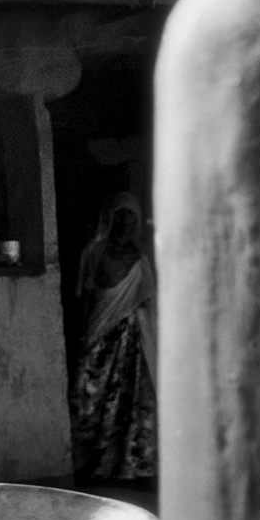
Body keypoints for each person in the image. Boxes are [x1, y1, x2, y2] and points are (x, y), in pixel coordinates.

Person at [71, 191, 157, 485]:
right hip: (101, 336)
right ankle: (92, 464)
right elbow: (86, 297)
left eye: (129, 215)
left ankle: (132, 466)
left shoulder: (143, 257)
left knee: (134, 400)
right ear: (109, 217)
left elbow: (152, 301)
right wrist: (85, 337)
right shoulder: (94, 252)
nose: (123, 221)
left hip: (136, 340)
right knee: (91, 397)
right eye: (118, 214)